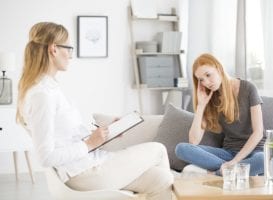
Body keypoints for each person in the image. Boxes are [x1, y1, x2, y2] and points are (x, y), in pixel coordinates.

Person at [16, 22, 173, 200]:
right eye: (68, 48)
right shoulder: (42, 94)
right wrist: (90, 143)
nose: (70, 55)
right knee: (158, 149)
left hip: (91, 163)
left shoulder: (51, 88)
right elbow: (46, 157)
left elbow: (66, 139)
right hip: (84, 173)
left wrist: (104, 134)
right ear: (53, 49)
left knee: (163, 179)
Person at [175, 53, 265, 176]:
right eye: (201, 80)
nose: (206, 82)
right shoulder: (210, 97)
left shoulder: (248, 88)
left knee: (263, 160)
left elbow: (258, 132)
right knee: (181, 149)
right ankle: (235, 172)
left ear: (218, 68)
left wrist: (234, 162)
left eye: (208, 75)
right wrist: (201, 106)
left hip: (254, 151)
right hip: (228, 152)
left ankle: (218, 174)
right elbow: (193, 141)